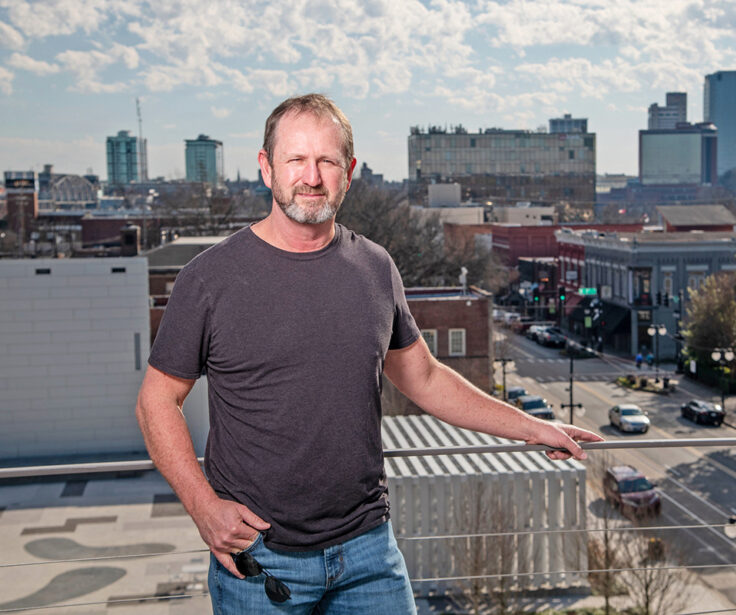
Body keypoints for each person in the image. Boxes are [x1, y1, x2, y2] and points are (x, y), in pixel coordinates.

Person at [135, 93, 602, 614]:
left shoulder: (375, 269)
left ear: (349, 171)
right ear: (266, 168)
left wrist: (534, 427)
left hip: (368, 553)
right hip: (260, 560)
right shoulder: (209, 279)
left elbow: (423, 376)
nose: (311, 176)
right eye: (295, 159)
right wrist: (203, 507)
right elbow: (156, 401)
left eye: (327, 161)